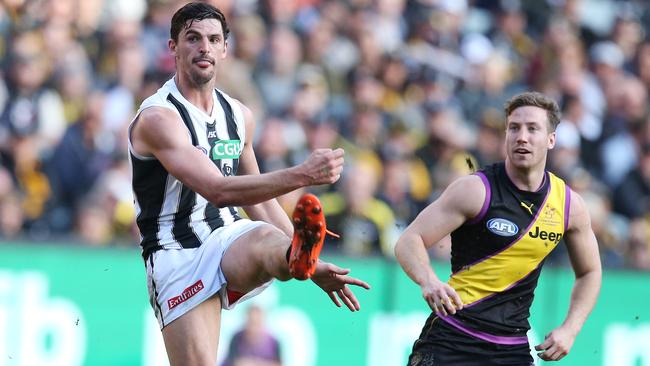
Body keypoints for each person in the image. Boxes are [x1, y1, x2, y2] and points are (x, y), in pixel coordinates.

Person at [127, 3, 370, 366]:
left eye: (213, 39)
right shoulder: (158, 118)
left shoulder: (240, 116)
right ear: (173, 47)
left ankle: (291, 258)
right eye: (192, 39)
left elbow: (260, 200)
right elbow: (219, 189)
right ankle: (290, 257)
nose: (204, 48)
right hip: (174, 253)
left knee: (259, 237)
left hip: (226, 235)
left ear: (225, 48)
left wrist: (305, 260)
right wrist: (302, 174)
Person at [395, 91, 601, 365]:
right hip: (452, 338)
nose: (522, 137)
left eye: (532, 129)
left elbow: (590, 272)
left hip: (511, 349)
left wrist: (570, 330)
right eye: (514, 128)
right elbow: (409, 240)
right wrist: (428, 280)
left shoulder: (568, 206)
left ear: (551, 140)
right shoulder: (475, 190)